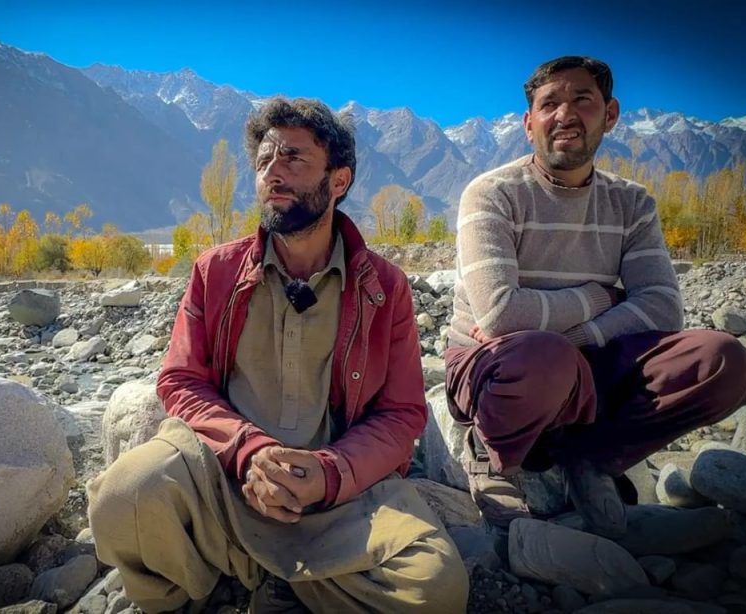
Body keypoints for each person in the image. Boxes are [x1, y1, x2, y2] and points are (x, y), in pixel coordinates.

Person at [89, 97, 469, 613]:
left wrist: (329, 472)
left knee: (436, 588)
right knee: (122, 495)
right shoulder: (215, 272)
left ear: (339, 180)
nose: (273, 172)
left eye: (293, 157)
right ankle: (249, 580)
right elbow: (180, 381)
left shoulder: (385, 287)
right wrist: (249, 452)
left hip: (340, 495)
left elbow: (402, 414)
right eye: (265, 160)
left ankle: (252, 573)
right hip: (224, 476)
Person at [445, 55, 746, 536]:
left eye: (582, 100)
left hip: (585, 360)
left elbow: (662, 308)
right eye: (549, 104)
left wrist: (577, 337)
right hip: (499, 366)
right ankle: (492, 455)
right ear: (529, 124)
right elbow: (502, 315)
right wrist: (599, 296)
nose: (565, 115)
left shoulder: (631, 202)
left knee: (723, 359)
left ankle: (592, 458)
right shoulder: (492, 194)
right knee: (542, 356)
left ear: (609, 114)